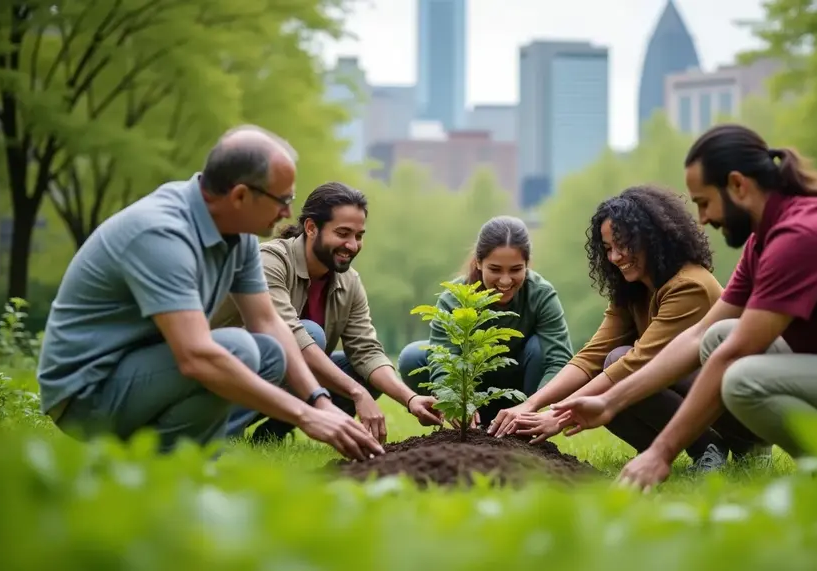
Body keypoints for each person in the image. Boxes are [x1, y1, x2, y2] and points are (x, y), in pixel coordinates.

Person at [552, 123, 817, 489]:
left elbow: (738, 354)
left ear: (738, 186)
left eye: (704, 202)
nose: (702, 218)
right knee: (717, 335)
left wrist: (661, 452)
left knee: (741, 378)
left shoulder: (801, 236)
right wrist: (608, 402)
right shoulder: (767, 239)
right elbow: (699, 337)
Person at [35, 125, 385, 461]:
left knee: (269, 351)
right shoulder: (161, 233)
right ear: (241, 196)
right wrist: (305, 417)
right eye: (282, 199)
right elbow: (195, 356)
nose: (288, 213)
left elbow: (268, 323)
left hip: (146, 368)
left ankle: (178, 460)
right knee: (238, 350)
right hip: (86, 392)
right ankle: (171, 460)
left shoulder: (239, 233)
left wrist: (321, 402)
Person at [487, 185, 768, 472]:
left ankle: (728, 447)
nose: (615, 257)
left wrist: (557, 417)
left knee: (618, 363)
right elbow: (590, 357)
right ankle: (697, 447)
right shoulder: (633, 289)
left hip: (739, 409)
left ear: (653, 238)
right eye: (608, 248)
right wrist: (531, 405)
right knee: (608, 364)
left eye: (624, 244)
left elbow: (638, 363)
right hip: (692, 394)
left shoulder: (689, 286)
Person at [210, 181, 445, 443]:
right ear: (311, 228)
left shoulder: (349, 281)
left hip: (279, 382)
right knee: (312, 335)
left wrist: (410, 399)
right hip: (222, 378)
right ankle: (221, 430)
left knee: (360, 370)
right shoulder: (270, 261)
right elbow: (291, 337)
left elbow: (367, 350)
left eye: (358, 235)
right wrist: (356, 393)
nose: (353, 245)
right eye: (343, 233)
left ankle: (271, 435)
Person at [397, 215, 575, 426]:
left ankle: (520, 426)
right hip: (470, 387)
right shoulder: (456, 298)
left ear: (527, 264)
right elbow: (442, 355)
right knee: (413, 356)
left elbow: (559, 359)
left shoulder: (541, 294)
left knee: (539, 348)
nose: (506, 280)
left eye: (516, 269)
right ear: (478, 263)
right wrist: (452, 399)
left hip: (521, 390)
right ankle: (461, 421)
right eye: (495, 269)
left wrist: (532, 406)